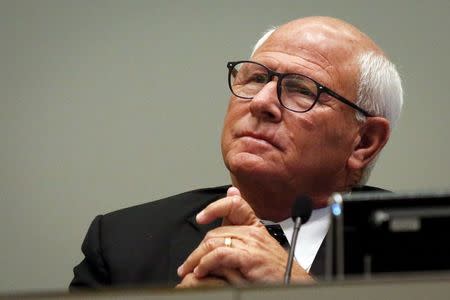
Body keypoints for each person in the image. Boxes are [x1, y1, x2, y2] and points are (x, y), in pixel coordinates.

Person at [70, 16, 403, 289]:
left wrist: (299, 291)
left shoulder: (426, 248)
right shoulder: (123, 242)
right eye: (256, 78)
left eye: (302, 89)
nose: (261, 103)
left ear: (364, 142)